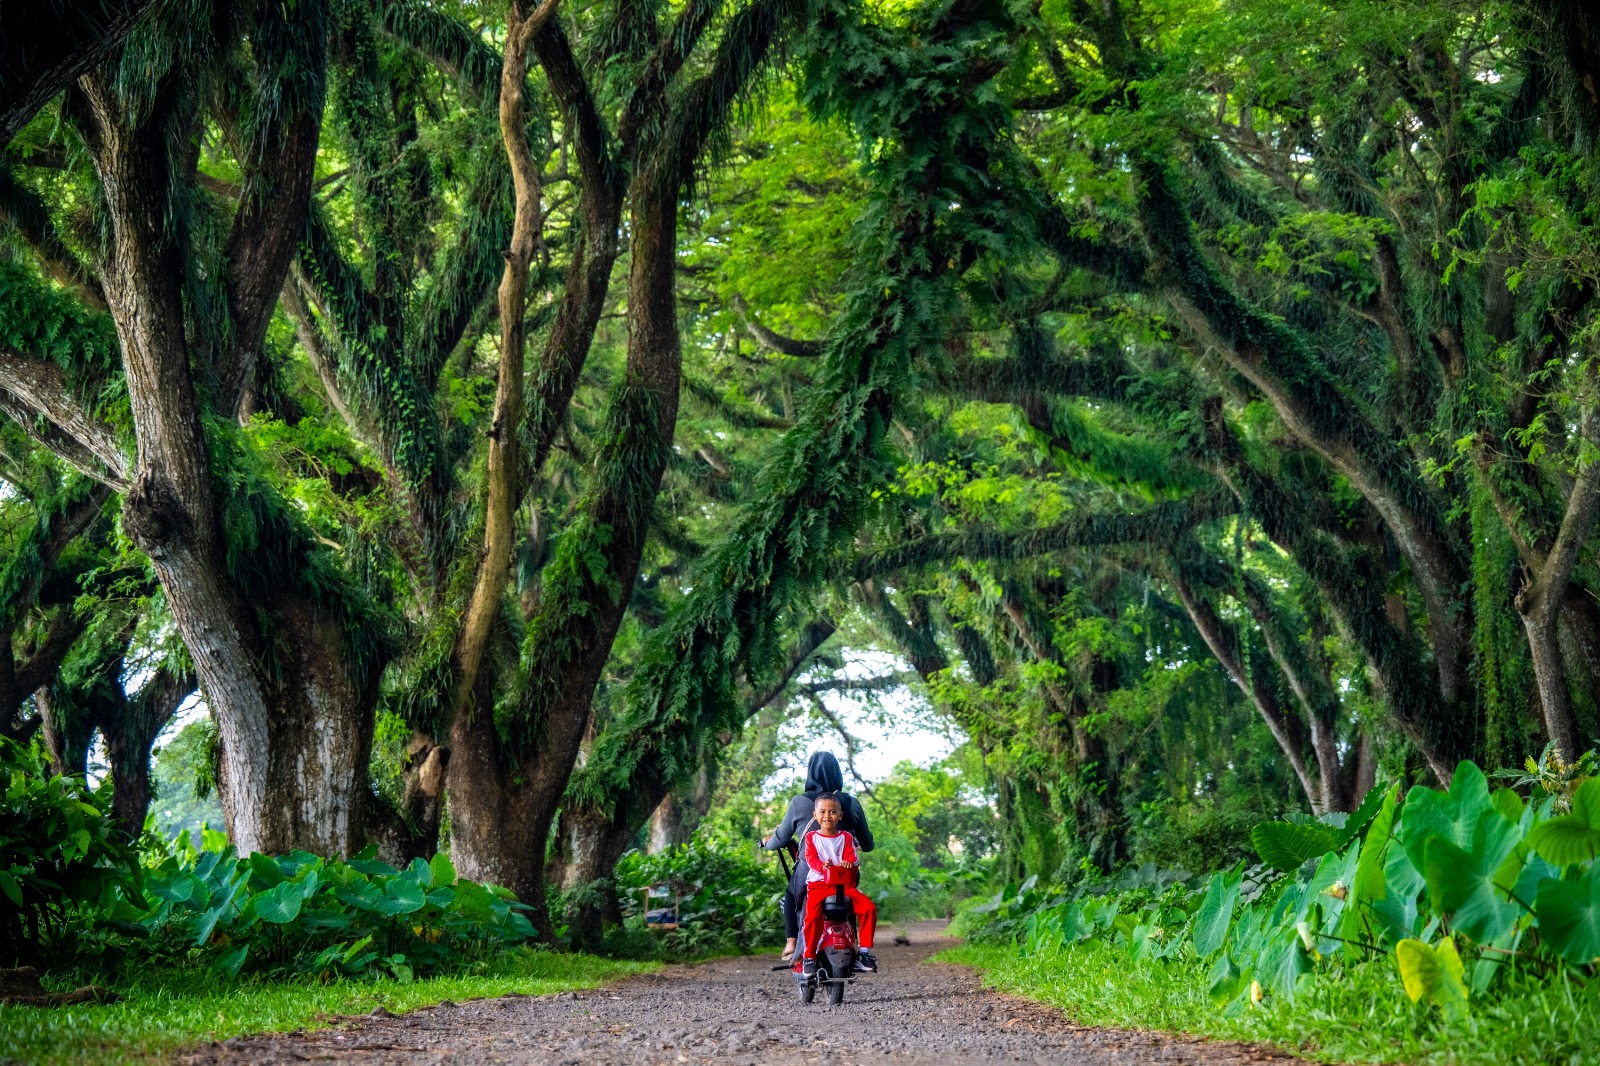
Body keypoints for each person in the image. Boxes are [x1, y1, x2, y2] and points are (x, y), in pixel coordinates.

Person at [762, 751, 874, 961]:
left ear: (810, 773)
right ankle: (855, 941)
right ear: (838, 774)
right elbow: (867, 844)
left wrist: (768, 843)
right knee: (850, 895)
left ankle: (792, 942)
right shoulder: (850, 803)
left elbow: (781, 837)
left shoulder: (800, 802)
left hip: (810, 874)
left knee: (791, 893)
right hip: (844, 874)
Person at [799, 792, 877, 974]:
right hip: (819, 885)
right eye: (823, 812)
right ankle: (809, 957)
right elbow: (810, 858)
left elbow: (852, 856)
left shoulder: (846, 838)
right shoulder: (812, 838)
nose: (827, 816)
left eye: (833, 812)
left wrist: (848, 861)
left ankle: (864, 953)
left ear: (840, 816)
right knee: (811, 918)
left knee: (868, 909)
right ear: (815, 815)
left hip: (844, 885)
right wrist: (821, 866)